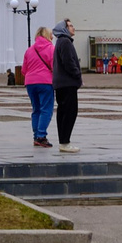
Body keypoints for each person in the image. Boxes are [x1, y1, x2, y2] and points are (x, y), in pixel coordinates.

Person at [51, 21, 84, 153]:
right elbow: (68, 62)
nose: (73, 27)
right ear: (64, 29)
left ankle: (63, 141)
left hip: (62, 83)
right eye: (70, 25)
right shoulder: (65, 42)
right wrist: (77, 75)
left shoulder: (61, 41)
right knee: (69, 113)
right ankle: (65, 142)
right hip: (67, 83)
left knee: (63, 112)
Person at [21, 27, 56, 148]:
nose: (52, 37)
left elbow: (24, 70)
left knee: (36, 110)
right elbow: (54, 66)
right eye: (51, 34)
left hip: (30, 82)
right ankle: (41, 136)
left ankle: (36, 136)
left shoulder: (29, 50)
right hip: (45, 82)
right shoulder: (51, 48)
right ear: (47, 35)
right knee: (46, 109)